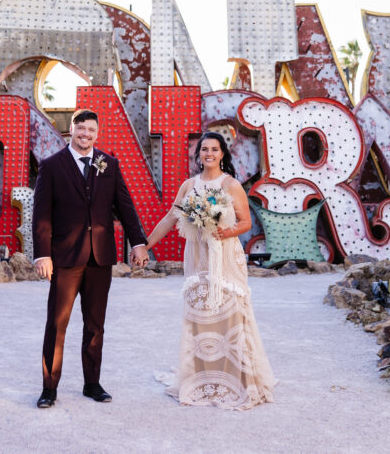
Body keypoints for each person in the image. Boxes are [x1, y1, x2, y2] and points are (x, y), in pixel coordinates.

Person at [146, 131, 276, 410]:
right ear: (199, 155)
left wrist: (224, 231)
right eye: (204, 149)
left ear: (222, 154)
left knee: (230, 314)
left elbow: (245, 222)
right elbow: (171, 217)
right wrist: (146, 246)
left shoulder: (231, 185)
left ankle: (236, 380)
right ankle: (201, 379)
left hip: (226, 254)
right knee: (201, 314)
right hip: (197, 256)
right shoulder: (188, 185)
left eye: (214, 149)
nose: (209, 154)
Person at [32, 109, 150, 409]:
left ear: (97, 133)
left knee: (95, 324)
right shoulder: (51, 166)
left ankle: (92, 383)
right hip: (64, 258)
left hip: (100, 257)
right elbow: (41, 215)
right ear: (71, 129)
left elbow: (124, 204)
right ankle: (49, 388)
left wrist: (138, 242)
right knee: (57, 324)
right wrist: (42, 254)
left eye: (91, 130)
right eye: (80, 128)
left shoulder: (108, 164)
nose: (85, 134)